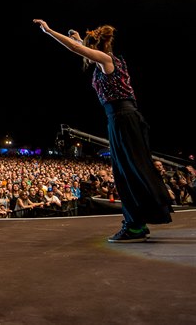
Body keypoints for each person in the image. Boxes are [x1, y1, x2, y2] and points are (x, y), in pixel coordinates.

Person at [33, 19, 173, 242]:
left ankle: (135, 225)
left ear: (95, 48)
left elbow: (78, 48)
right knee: (126, 171)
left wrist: (49, 31)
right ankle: (137, 223)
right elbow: (80, 45)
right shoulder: (107, 60)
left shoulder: (107, 60)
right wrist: (77, 37)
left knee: (127, 172)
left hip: (123, 118)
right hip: (120, 118)